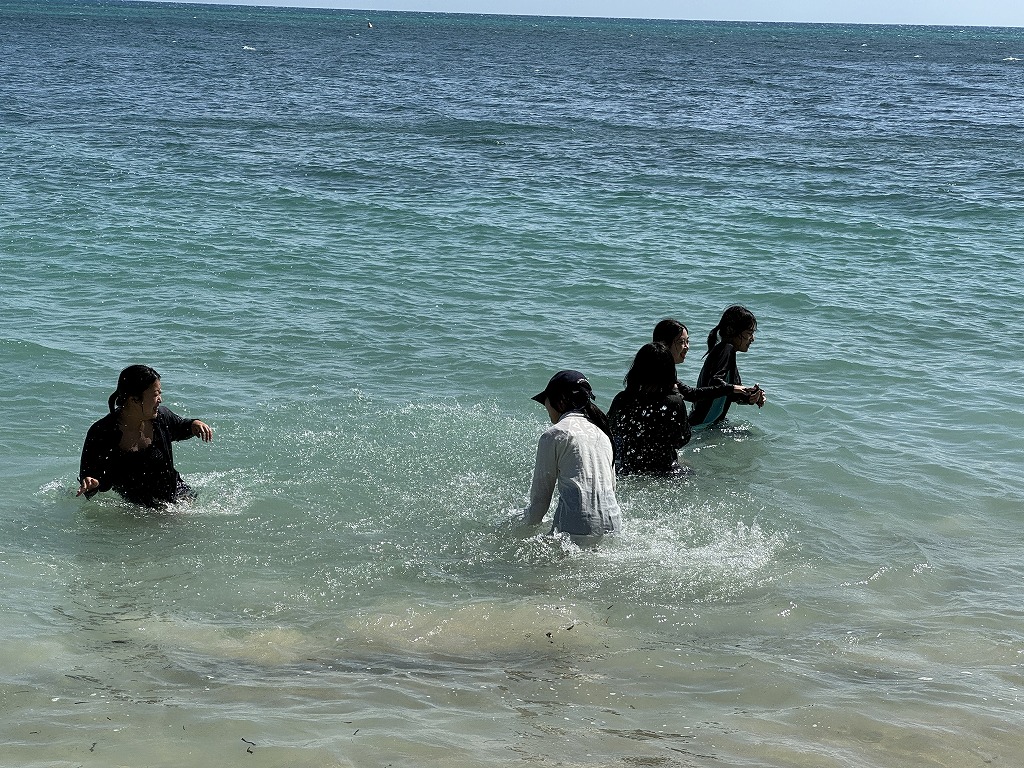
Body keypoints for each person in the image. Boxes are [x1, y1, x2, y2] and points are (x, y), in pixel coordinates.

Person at [77, 365, 214, 508]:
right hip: (139, 506)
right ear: (134, 399)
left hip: (178, 494)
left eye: (159, 393)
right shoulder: (101, 432)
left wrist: (194, 424)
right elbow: (89, 478)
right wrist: (92, 484)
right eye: (155, 394)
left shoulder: (162, 417)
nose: (160, 399)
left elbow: (181, 426)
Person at [609, 342, 752, 474]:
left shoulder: (622, 399)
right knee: (694, 473)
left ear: (637, 369)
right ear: (669, 371)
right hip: (663, 468)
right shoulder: (674, 402)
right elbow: (683, 438)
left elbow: (611, 430)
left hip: (629, 466)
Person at [522, 370, 621, 544]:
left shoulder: (554, 434)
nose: (545, 407)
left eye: (545, 401)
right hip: (613, 524)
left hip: (576, 526)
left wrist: (513, 532)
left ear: (559, 401)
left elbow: (539, 503)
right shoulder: (603, 433)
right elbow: (611, 488)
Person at [689, 305, 767, 430]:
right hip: (701, 426)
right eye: (749, 333)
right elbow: (715, 383)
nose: (752, 339)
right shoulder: (726, 349)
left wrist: (752, 397)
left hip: (707, 425)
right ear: (732, 330)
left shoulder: (726, 352)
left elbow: (732, 394)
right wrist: (734, 389)